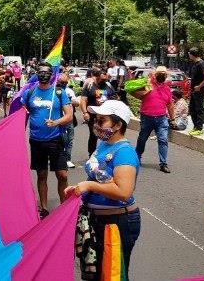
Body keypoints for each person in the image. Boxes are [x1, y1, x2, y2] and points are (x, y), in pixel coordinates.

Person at [65, 100, 140, 281]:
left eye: (102, 121)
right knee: (95, 273)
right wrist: (79, 189)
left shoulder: (124, 152)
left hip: (116, 222)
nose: (96, 125)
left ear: (118, 124)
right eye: (96, 120)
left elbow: (123, 191)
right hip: (97, 219)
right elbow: (99, 178)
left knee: (112, 275)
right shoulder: (103, 145)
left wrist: (89, 186)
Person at [22, 61, 73, 218]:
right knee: (41, 174)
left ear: (52, 75)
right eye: (41, 72)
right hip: (36, 141)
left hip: (56, 140)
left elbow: (69, 116)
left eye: (47, 72)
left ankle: (64, 207)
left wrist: (55, 122)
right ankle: (44, 208)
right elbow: (25, 114)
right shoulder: (29, 93)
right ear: (37, 74)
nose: (44, 74)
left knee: (62, 175)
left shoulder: (59, 93)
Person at [132, 66, 175, 173]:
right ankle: (137, 158)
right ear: (155, 75)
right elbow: (132, 92)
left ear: (166, 76)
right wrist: (144, 92)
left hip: (161, 118)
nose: (162, 76)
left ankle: (163, 163)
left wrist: (173, 119)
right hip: (146, 117)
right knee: (142, 138)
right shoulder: (147, 84)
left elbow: (170, 105)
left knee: (163, 140)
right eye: (159, 74)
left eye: (164, 74)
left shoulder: (167, 88)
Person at [187, 47, 204, 136]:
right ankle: (196, 126)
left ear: (191, 54)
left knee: (199, 108)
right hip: (194, 90)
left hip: (199, 91)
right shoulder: (196, 64)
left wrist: (199, 86)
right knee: (192, 108)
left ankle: (199, 128)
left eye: (189, 54)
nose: (188, 55)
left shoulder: (201, 64)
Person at [57, 73, 79, 168]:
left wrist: (68, 100)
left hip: (69, 118)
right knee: (59, 139)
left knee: (69, 139)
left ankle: (67, 159)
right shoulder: (53, 91)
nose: (64, 84)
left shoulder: (69, 91)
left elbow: (77, 103)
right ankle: (57, 157)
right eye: (62, 82)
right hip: (57, 119)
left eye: (66, 82)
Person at [80, 68, 102, 156]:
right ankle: (91, 153)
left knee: (99, 134)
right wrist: (85, 113)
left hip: (101, 114)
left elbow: (98, 98)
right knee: (93, 134)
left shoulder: (100, 85)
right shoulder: (89, 85)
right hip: (91, 114)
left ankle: (99, 153)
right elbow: (83, 100)